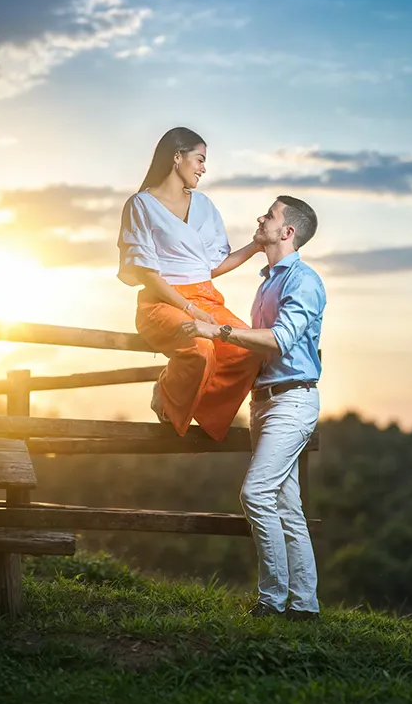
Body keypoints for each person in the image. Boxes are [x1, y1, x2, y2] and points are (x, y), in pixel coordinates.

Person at [182, 195, 326, 621]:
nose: (261, 217)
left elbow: (281, 339)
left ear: (287, 232)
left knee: (256, 493)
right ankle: (304, 606)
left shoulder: (304, 281)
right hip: (264, 403)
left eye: (271, 214)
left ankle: (271, 600)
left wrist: (217, 330)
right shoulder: (268, 280)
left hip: (292, 400)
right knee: (286, 506)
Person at [117, 127, 263, 441]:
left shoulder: (205, 206)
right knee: (200, 350)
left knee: (249, 349)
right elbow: (147, 274)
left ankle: (186, 400)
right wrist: (189, 309)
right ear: (176, 156)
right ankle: (166, 397)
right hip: (162, 302)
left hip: (205, 299)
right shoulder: (140, 205)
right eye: (199, 159)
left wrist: (254, 247)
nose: (204, 168)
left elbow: (209, 268)